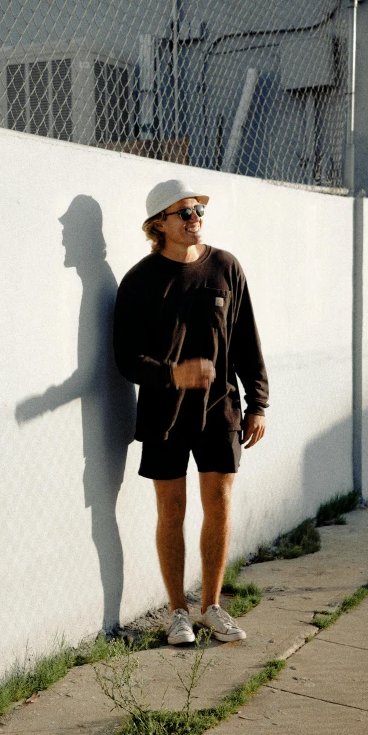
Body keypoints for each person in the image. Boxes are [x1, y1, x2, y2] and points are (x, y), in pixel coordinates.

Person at [113, 180, 268, 644]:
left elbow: (246, 342)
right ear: (158, 223)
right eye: (184, 212)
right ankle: (178, 611)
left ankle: (212, 608)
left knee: (218, 505)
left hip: (221, 409)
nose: (195, 217)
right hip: (164, 413)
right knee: (172, 511)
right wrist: (172, 375)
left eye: (199, 209)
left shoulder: (225, 267)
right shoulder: (138, 281)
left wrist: (257, 402)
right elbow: (125, 358)